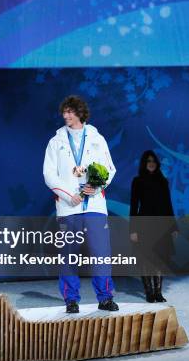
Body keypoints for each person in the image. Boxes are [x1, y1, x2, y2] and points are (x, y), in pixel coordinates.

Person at [43, 95, 118, 313]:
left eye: (70, 111)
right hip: (69, 208)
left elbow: (110, 169)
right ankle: (71, 300)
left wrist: (97, 186)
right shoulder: (55, 142)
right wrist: (68, 195)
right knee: (68, 254)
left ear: (80, 113)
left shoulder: (97, 138)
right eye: (64, 112)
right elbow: (49, 174)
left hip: (94, 206)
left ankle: (105, 297)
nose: (65, 115)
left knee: (101, 253)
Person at [129, 150, 178, 303]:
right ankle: (149, 292)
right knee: (146, 259)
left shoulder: (163, 181)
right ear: (144, 164)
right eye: (148, 161)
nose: (151, 163)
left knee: (160, 259)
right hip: (144, 225)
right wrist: (133, 230)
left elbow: (168, 205)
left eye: (154, 161)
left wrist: (174, 227)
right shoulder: (137, 181)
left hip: (162, 226)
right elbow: (133, 206)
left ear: (157, 164)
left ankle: (158, 292)